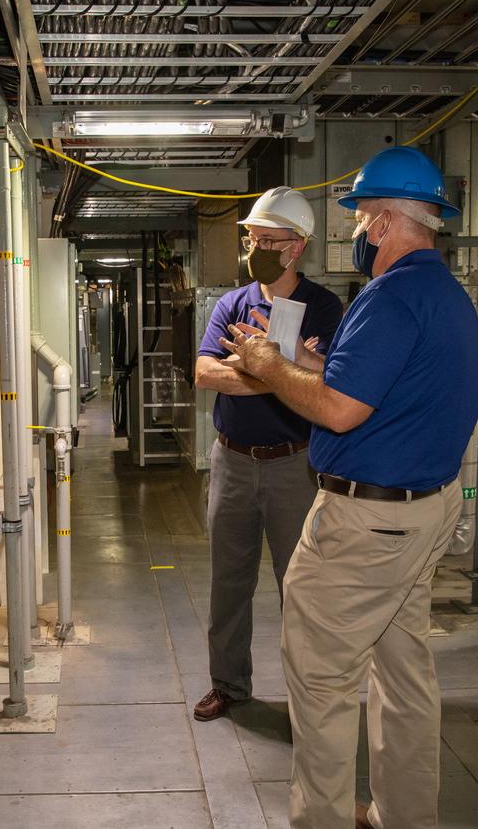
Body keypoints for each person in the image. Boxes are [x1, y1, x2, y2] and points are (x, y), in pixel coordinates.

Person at [220, 147, 478, 829]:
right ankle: (403, 812)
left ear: (389, 222)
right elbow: (384, 390)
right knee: (404, 675)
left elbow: (337, 410)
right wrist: (315, 363)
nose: (360, 235)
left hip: (365, 527)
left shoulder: (388, 297)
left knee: (323, 681)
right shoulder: (447, 296)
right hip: (426, 514)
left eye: (364, 221)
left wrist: (271, 365)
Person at [192, 187, 343, 723]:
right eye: (253, 237)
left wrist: (262, 371)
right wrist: (280, 373)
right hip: (231, 461)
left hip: (293, 466)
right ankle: (228, 685)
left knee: (299, 586)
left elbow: (329, 381)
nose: (256, 246)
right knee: (227, 581)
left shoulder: (324, 308)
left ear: (296, 248)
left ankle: (309, 700)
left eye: (267, 239)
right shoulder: (232, 304)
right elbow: (205, 372)